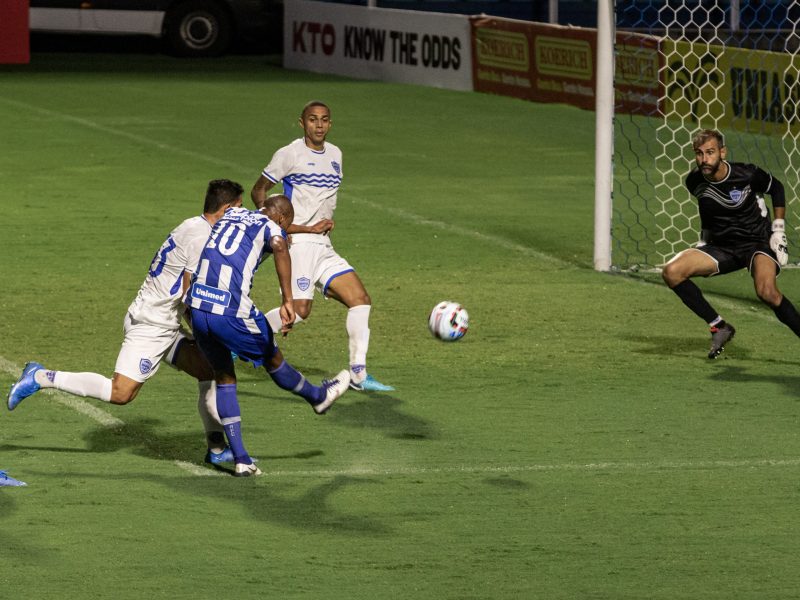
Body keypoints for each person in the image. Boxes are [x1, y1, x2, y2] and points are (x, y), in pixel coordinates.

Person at [6, 179, 243, 466]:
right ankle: (42, 377)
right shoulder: (201, 238)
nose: (241, 215)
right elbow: (190, 294)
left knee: (210, 369)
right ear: (227, 208)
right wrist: (211, 334)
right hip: (151, 325)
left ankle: (216, 449)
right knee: (120, 393)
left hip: (163, 321)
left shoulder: (193, 225)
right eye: (239, 208)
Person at [187, 191, 350, 477]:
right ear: (283, 218)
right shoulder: (274, 228)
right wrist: (288, 300)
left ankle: (241, 460)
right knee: (273, 359)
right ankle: (317, 397)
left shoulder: (234, 213)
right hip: (230, 310)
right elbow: (278, 242)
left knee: (224, 376)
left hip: (198, 307)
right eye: (288, 225)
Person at [250, 100, 394, 392]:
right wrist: (278, 228)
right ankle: (238, 338)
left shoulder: (336, 155)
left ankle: (358, 373)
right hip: (299, 242)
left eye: (324, 120)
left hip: (324, 245)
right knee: (300, 310)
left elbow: (324, 199)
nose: (319, 125)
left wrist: (327, 219)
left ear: (330, 123)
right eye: (313, 119)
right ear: (302, 123)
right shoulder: (290, 153)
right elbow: (258, 190)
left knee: (360, 299)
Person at [662, 128, 800, 358]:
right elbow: (707, 209)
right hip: (723, 247)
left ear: (722, 152)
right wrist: (703, 240)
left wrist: (778, 230)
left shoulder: (746, 174)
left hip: (758, 243)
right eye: (699, 153)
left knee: (767, 292)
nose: (704, 159)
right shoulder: (694, 181)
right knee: (672, 272)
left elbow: (776, 188)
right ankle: (719, 326)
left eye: (710, 152)